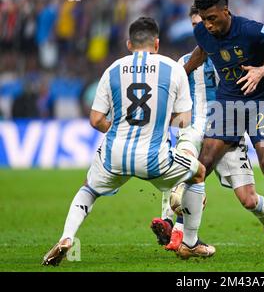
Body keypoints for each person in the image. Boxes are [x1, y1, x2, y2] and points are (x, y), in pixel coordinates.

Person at [42, 17, 214, 265]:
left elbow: (95, 119)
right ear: (156, 43)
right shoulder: (173, 68)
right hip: (154, 157)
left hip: (115, 154)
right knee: (198, 172)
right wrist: (159, 120)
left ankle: (67, 237)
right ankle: (190, 243)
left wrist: (120, 128)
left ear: (128, 44)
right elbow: (184, 121)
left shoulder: (112, 69)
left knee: (88, 189)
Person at [183, 0, 264, 254]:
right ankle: (182, 234)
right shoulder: (203, 32)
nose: (208, 24)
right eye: (203, 19)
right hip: (227, 104)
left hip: (261, 101)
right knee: (202, 164)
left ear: (225, 11)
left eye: (212, 18)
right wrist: (181, 73)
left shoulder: (250, 29)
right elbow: (202, 51)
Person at [151, 6, 264, 252]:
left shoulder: (234, 52)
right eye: (195, 25)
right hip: (195, 126)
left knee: (249, 199)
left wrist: (262, 69)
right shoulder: (184, 62)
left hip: (226, 128)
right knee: (185, 166)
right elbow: (172, 96)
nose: (202, 28)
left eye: (205, 22)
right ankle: (172, 228)